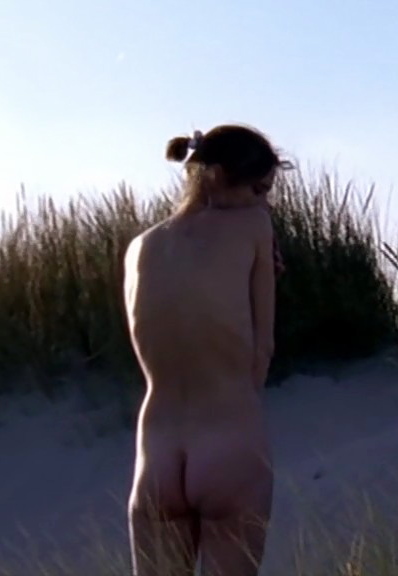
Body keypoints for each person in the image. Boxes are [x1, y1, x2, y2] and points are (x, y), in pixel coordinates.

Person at [122, 124, 292, 575]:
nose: (264, 203)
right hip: (228, 436)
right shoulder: (254, 225)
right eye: (259, 190)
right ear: (216, 176)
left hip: (156, 449)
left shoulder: (140, 247)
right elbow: (262, 347)